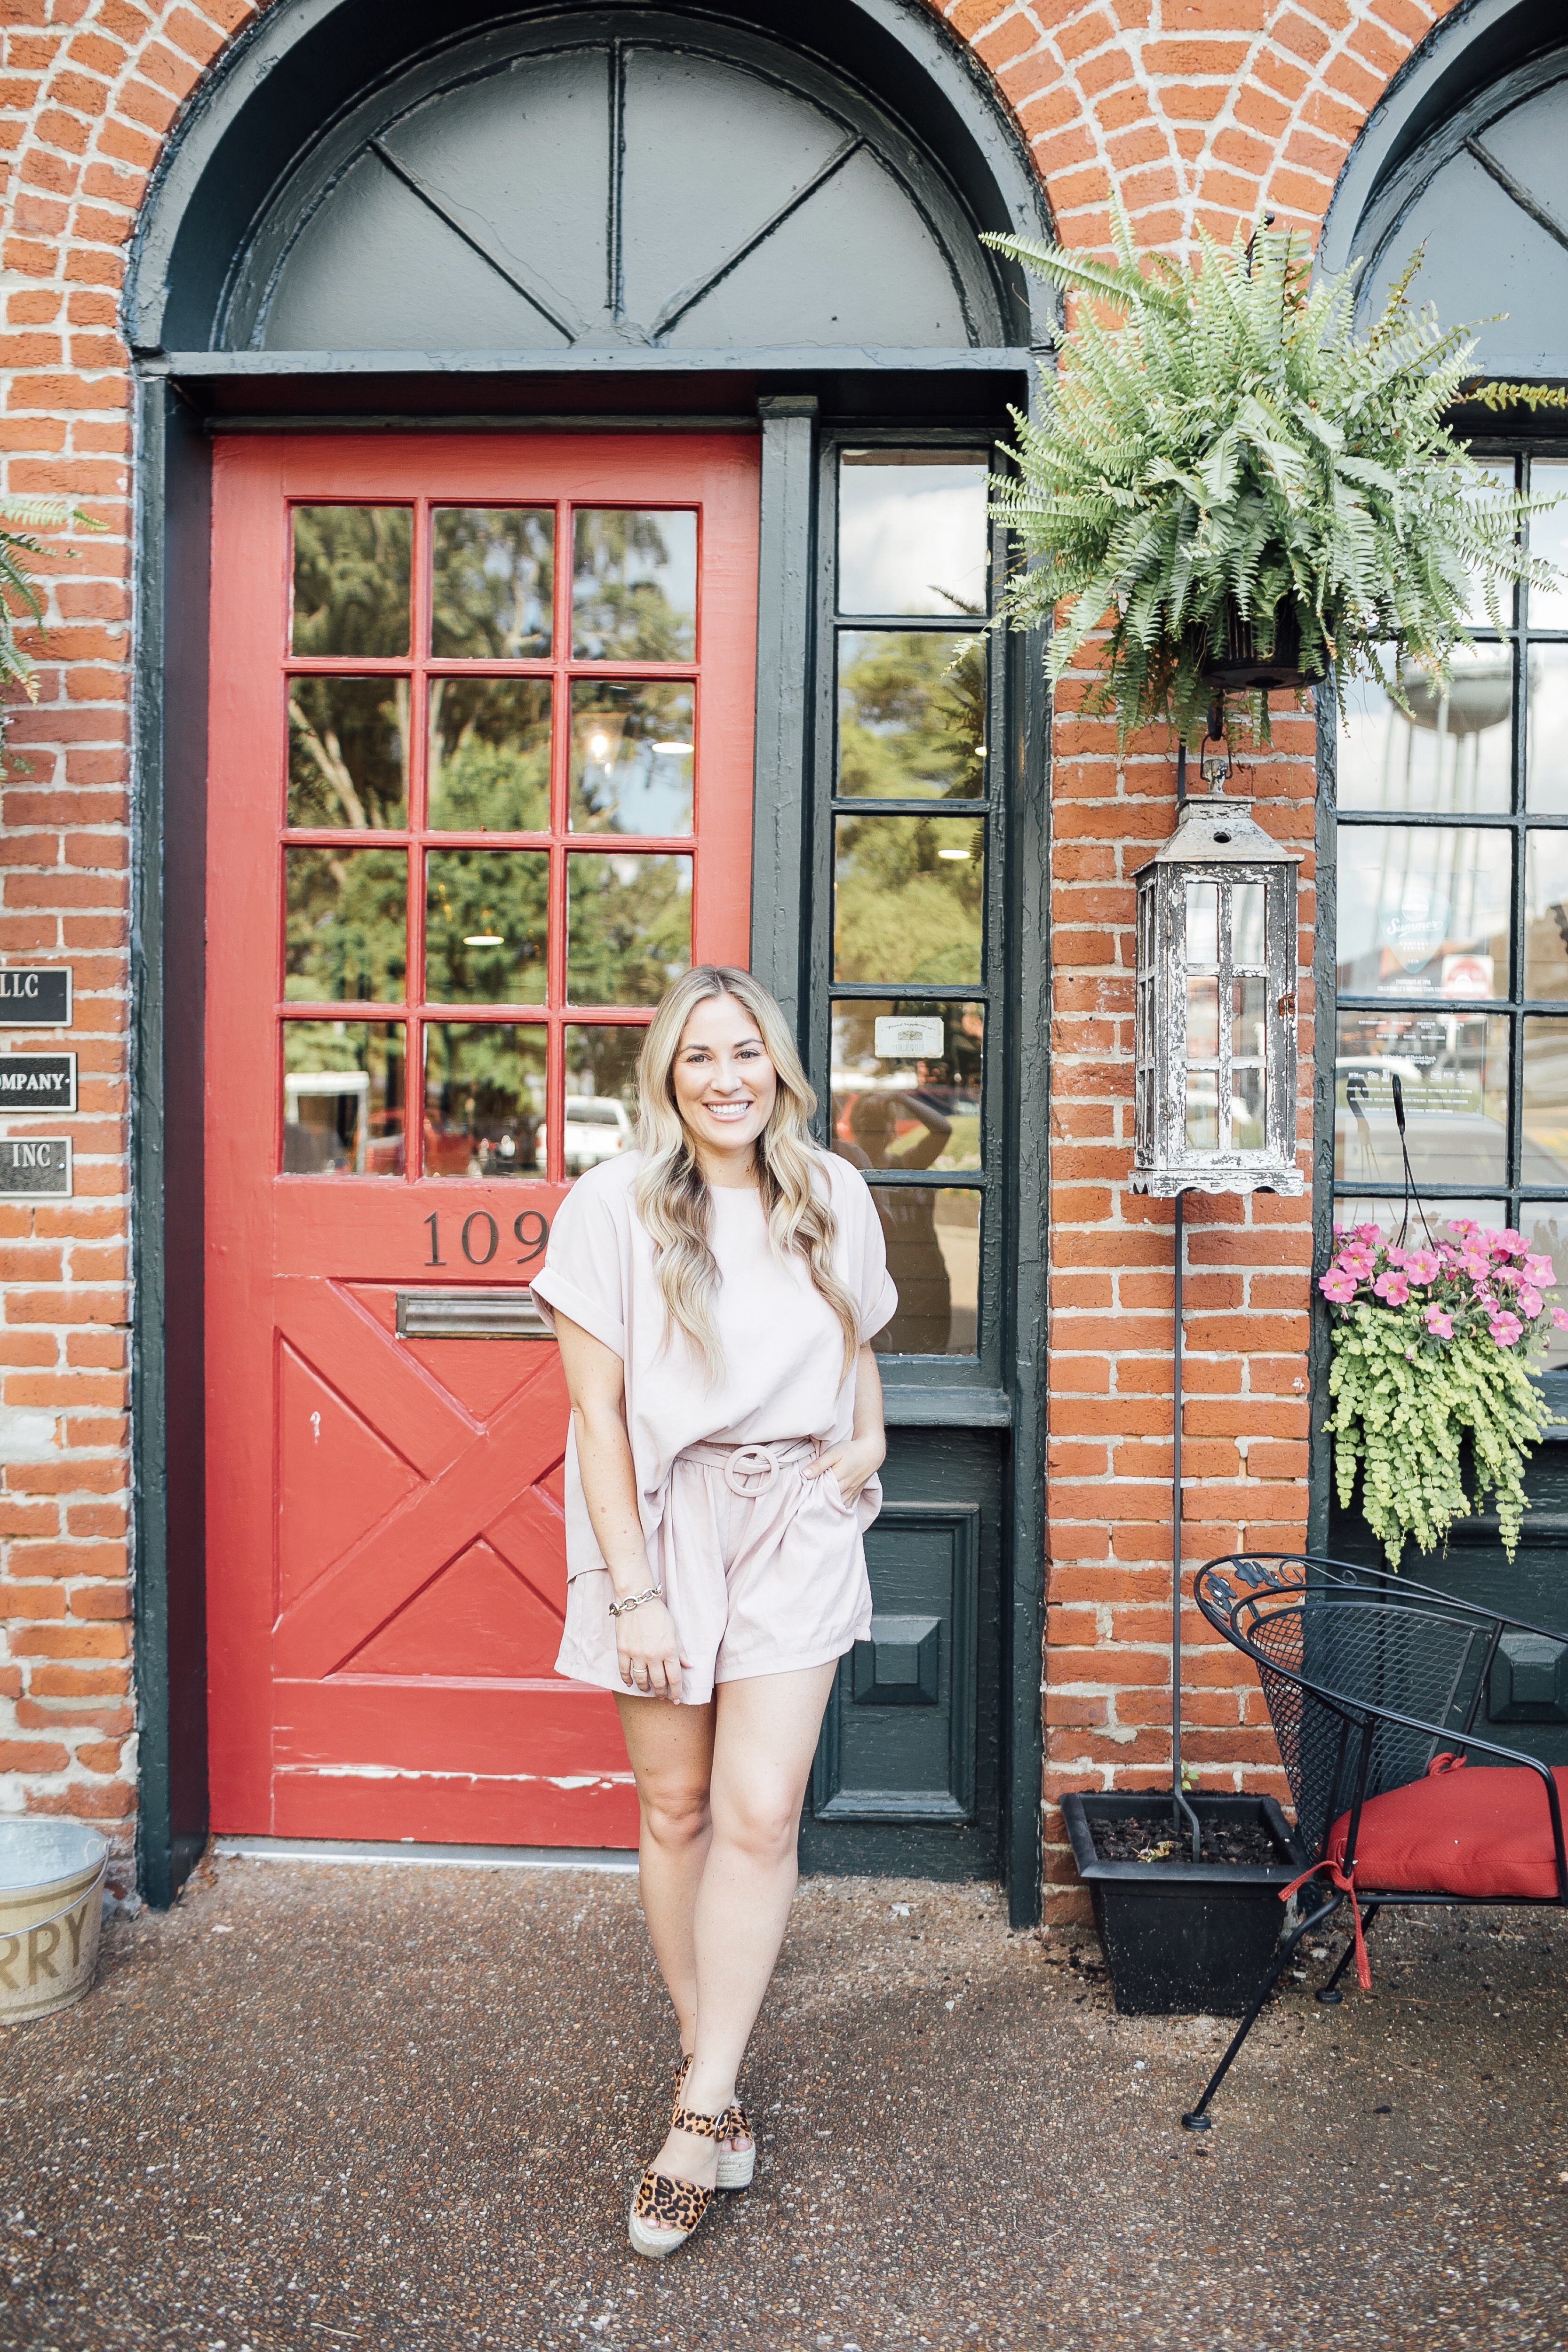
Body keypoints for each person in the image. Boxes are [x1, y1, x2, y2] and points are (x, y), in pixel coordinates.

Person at [529, 965, 896, 2258]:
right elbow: (594, 1417)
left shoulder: (831, 1193)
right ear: (667, 1080)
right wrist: (631, 1589)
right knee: (677, 1805)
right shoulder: (612, 1209)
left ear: (778, 1067)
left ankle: (694, 2115)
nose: (727, 1078)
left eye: (747, 1053)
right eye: (699, 1059)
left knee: (758, 1810)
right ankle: (717, 2066)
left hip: (794, 1520)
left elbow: (859, 1347)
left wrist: (866, 1438)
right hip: (666, 1526)